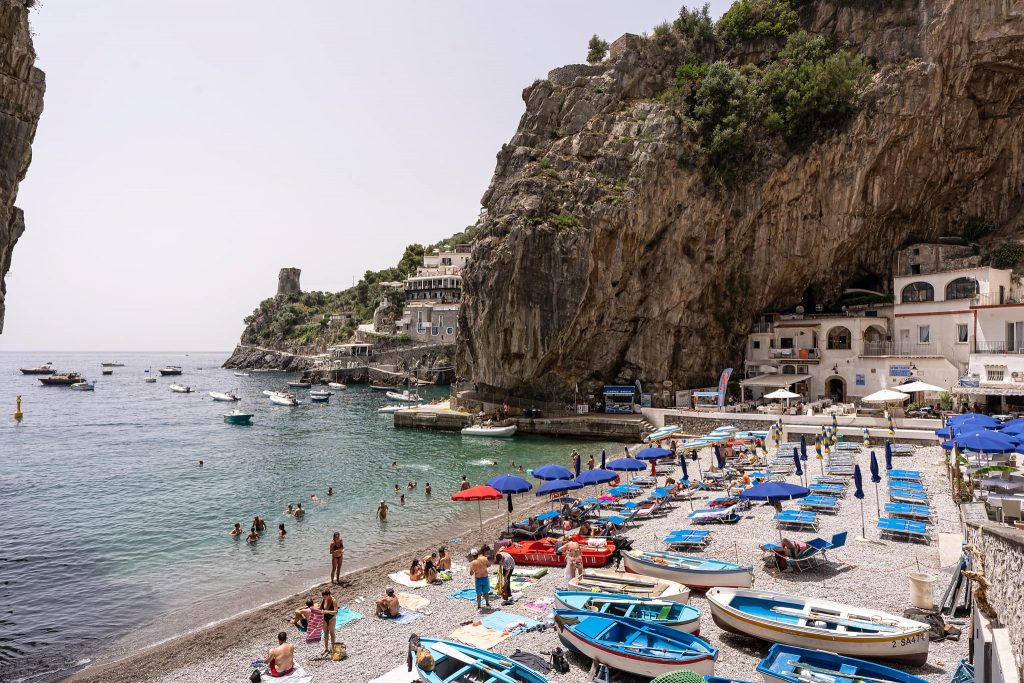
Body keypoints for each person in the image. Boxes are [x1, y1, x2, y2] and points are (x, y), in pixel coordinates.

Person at [318, 588, 338, 656]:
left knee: (332, 634)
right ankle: (326, 648)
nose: (324, 598)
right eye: (323, 597)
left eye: (325, 596)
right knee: (325, 633)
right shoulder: (324, 599)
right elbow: (320, 609)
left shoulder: (333, 600)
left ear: (329, 595)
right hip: (325, 618)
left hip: (331, 618)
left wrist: (327, 611)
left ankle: (333, 648)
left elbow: (336, 612)